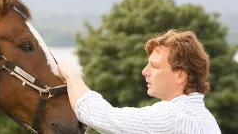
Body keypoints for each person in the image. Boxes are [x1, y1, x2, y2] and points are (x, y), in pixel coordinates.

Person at [57, 29, 221, 134]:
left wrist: (71, 75)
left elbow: (99, 116)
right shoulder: (207, 120)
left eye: (155, 66)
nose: (144, 71)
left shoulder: (173, 117)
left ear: (180, 76)